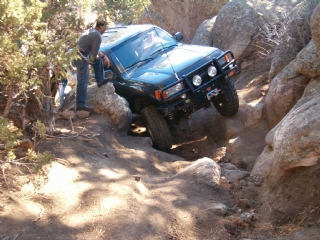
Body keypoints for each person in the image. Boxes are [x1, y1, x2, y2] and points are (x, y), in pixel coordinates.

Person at [75, 19, 110, 112]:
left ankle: (100, 80)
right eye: (105, 28)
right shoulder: (97, 35)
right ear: (101, 27)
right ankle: (80, 104)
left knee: (98, 61)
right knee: (83, 80)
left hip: (81, 54)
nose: (105, 31)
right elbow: (94, 55)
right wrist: (91, 62)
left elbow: (95, 50)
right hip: (81, 56)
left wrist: (103, 56)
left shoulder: (92, 31)